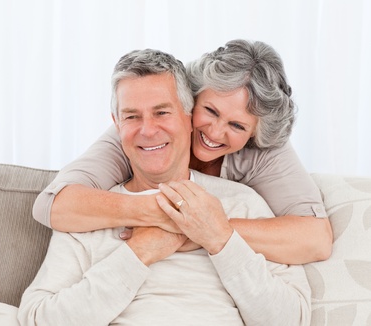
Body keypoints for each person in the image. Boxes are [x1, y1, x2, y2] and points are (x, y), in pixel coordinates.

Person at [18, 48, 311, 325]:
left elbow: (292, 318)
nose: (147, 130)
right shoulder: (88, 213)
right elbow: (37, 319)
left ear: (188, 118)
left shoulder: (244, 203)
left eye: (162, 113)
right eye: (131, 116)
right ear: (117, 124)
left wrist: (219, 237)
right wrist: (139, 252)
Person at [33, 39, 332, 264]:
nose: (215, 132)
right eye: (210, 111)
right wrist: (161, 214)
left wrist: (202, 230)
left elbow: (315, 239)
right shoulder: (146, 129)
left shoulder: (265, 150)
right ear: (189, 102)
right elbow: (54, 205)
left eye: (237, 126)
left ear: (255, 132)